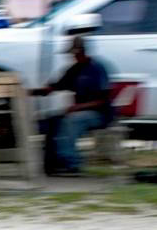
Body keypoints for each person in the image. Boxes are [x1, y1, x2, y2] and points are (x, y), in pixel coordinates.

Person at [45, 29, 114, 176]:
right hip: (79, 111)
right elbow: (57, 86)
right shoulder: (74, 69)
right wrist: (37, 90)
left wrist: (77, 107)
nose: (74, 57)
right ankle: (53, 162)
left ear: (83, 52)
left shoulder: (97, 68)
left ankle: (71, 163)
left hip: (100, 114)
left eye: (76, 54)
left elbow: (102, 100)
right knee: (52, 120)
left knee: (71, 120)